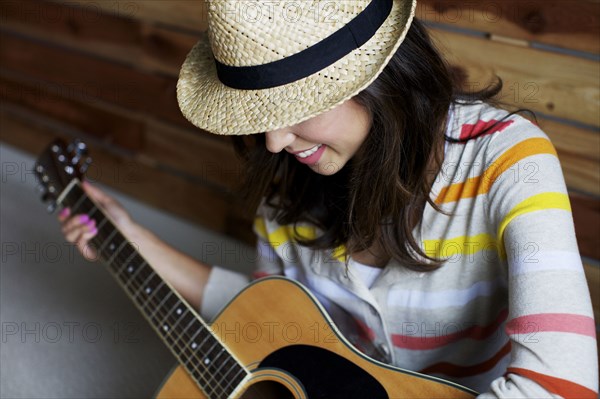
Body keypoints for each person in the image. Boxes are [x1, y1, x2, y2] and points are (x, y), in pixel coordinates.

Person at [58, 0, 598, 397]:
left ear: (375, 79)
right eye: (260, 115)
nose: (273, 142)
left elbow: (564, 387)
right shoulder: (289, 182)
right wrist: (132, 239)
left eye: (293, 107)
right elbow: (277, 322)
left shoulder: (511, 162)